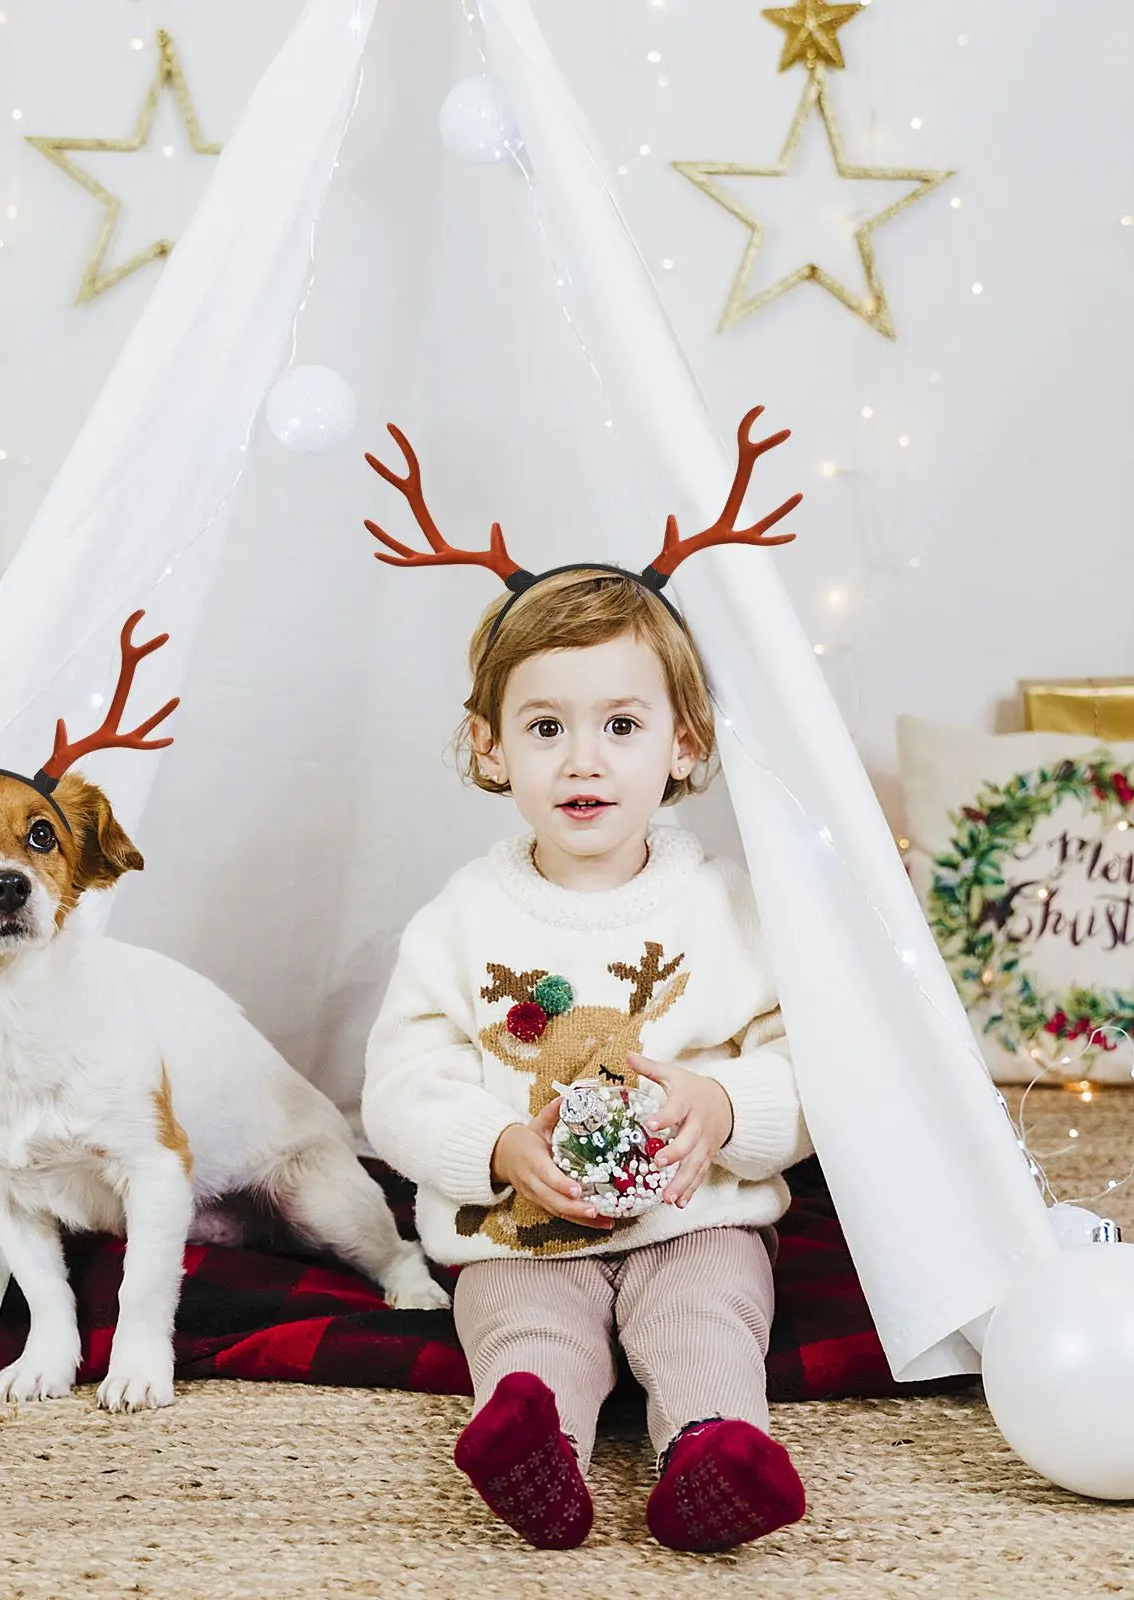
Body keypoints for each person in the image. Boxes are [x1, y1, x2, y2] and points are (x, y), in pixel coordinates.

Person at [359, 413, 813, 1551]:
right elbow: (402, 1084)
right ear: (489, 746)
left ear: (682, 741)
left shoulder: (730, 908)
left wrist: (720, 1109)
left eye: (620, 724)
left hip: (690, 1207)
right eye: (545, 726)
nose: (582, 758)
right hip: (525, 1219)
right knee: (520, 1317)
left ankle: (711, 1447)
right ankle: (531, 1436)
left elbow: (802, 1062)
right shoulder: (461, 918)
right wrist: (502, 1151)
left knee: (709, 1309)